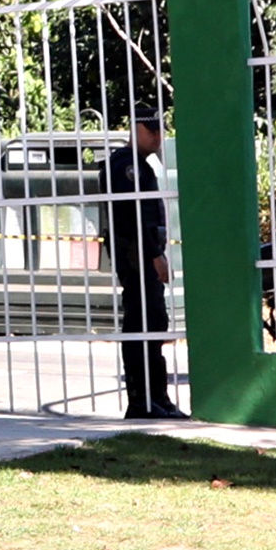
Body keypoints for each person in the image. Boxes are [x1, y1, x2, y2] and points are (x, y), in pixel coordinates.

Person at [103, 112, 182, 420]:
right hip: (136, 258)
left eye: (160, 131)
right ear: (136, 129)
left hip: (144, 257)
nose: (158, 137)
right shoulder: (124, 166)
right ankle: (142, 402)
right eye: (151, 131)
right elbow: (131, 218)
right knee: (141, 327)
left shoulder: (141, 165)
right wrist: (154, 255)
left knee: (154, 325)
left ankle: (157, 399)